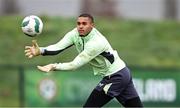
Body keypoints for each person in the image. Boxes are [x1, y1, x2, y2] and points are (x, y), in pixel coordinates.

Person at [25, 13, 143, 107]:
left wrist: (54, 66)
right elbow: (58, 47)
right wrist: (40, 50)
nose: (81, 26)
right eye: (78, 23)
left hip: (116, 76)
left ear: (92, 26)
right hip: (121, 73)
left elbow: (74, 65)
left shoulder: (96, 43)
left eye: (84, 24)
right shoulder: (75, 33)